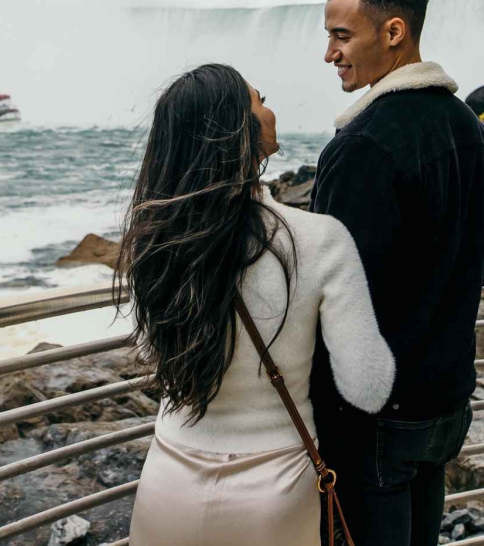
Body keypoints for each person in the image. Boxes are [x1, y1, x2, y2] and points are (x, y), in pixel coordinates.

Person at [120, 63, 395, 546]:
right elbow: (367, 388)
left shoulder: (152, 241)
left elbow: (155, 353)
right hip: (275, 489)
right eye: (260, 100)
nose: (270, 111)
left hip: (169, 478)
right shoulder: (319, 239)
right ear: (237, 131)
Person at [310, 0, 484, 546]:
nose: (330, 54)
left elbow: (333, 295)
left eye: (341, 36)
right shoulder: (471, 127)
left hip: (376, 415)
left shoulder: (366, 143)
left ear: (393, 32)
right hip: (445, 401)